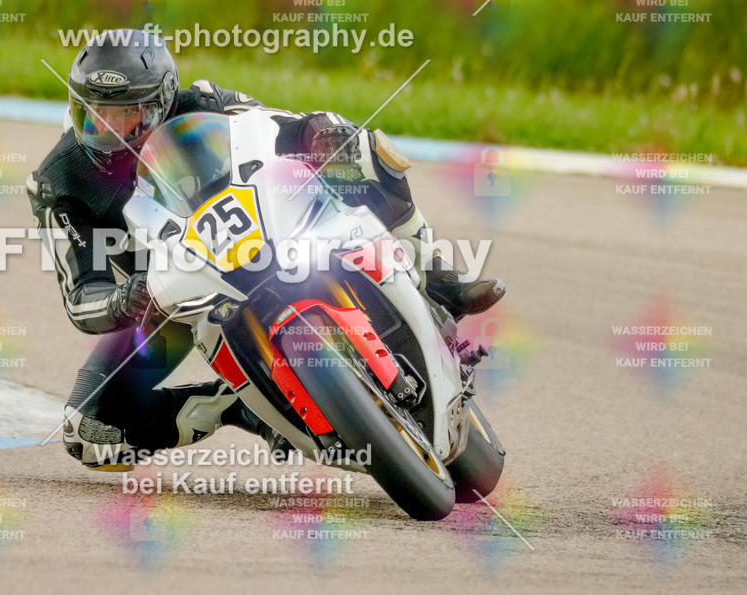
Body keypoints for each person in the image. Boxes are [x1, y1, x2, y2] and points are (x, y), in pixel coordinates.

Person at [27, 29, 504, 469]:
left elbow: (284, 126)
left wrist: (322, 132)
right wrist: (122, 299)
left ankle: (439, 281)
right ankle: (245, 410)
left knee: (363, 153)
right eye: (93, 114)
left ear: (161, 101)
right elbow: (79, 297)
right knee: (88, 433)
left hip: (270, 225)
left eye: (125, 114)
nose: (108, 129)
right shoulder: (59, 181)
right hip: (173, 297)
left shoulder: (205, 102)